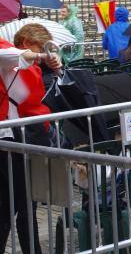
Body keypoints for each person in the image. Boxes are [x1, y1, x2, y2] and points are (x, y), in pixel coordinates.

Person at [1, 25, 61, 254]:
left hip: (23, 137)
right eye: (40, 47)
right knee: (18, 204)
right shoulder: (10, 58)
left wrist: (52, 63)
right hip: (12, 138)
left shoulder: (31, 68)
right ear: (26, 42)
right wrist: (44, 56)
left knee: (20, 204)